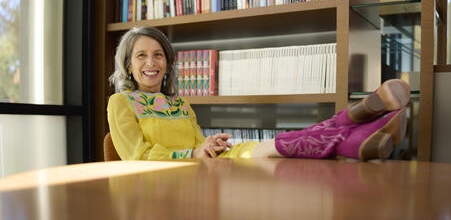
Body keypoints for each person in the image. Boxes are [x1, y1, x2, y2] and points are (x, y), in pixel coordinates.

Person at [107, 26, 410, 161]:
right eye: (141, 56)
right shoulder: (121, 102)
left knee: (272, 146)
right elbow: (137, 156)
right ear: (128, 65)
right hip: (164, 182)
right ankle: (356, 124)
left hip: (206, 166)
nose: (151, 63)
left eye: (158, 55)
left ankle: (356, 130)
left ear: (168, 63)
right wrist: (194, 153)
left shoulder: (180, 103)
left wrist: (207, 144)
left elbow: (200, 144)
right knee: (279, 148)